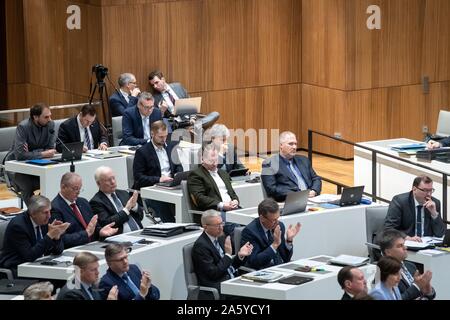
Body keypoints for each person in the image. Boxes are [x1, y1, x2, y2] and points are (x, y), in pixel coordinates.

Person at [192, 210, 253, 299]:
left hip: (231, 281)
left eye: (222, 223)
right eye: (217, 225)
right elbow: (214, 274)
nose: (221, 228)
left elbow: (228, 265)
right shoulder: (201, 246)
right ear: (205, 227)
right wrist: (228, 254)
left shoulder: (220, 238)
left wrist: (240, 255)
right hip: (218, 287)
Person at [0, 195, 69, 273]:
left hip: (39, 264)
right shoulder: (18, 226)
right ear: (33, 213)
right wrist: (49, 236)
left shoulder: (45, 221)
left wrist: (56, 237)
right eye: (45, 212)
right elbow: (30, 256)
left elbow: (58, 251)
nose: (49, 216)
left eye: (50, 211)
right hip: (18, 268)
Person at [51, 172, 118, 249]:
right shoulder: (55, 208)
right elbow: (62, 239)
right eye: (75, 189)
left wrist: (100, 231)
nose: (78, 192)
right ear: (63, 187)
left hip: (93, 246)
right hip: (74, 250)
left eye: (80, 188)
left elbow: (93, 227)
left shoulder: (83, 202)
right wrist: (86, 234)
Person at [7, 103, 57, 205]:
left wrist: (32, 152)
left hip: (41, 165)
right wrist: (42, 153)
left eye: (50, 116)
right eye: (46, 117)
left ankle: (46, 210)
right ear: (35, 117)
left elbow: (50, 149)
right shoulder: (23, 127)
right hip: (19, 169)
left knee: (53, 179)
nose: (50, 119)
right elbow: (20, 155)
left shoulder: (50, 125)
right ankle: (32, 214)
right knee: (27, 185)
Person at [133, 121, 182, 222]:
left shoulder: (171, 147)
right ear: (152, 134)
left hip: (171, 185)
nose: (164, 139)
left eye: (165, 136)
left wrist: (178, 175)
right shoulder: (142, 152)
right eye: (160, 137)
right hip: (153, 189)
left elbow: (178, 166)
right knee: (162, 203)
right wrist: (159, 179)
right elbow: (138, 177)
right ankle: (172, 227)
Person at [240, 198, 301, 270]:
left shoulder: (279, 226)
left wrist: (289, 240)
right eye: (273, 220)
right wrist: (274, 245)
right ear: (262, 218)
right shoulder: (250, 232)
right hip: (263, 271)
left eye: (277, 218)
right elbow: (255, 262)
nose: (277, 222)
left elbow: (286, 258)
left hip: (280, 269)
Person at [261, 131, 321, 202]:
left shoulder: (304, 160)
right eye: (290, 144)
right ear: (281, 145)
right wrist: (298, 194)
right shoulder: (269, 163)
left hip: (312, 200)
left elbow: (316, 179)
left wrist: (314, 190)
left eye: (295, 144)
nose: (294, 147)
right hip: (289, 202)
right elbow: (272, 189)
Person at [383, 175, 446, 241]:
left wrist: (434, 213)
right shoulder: (400, 201)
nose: (429, 194)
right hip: (404, 244)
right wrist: (407, 238)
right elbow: (389, 228)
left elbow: (440, 234)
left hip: (427, 245)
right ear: (414, 189)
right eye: (425, 190)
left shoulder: (435, 203)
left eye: (431, 190)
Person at [379, 229, 436, 300]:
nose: (405, 247)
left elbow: (428, 296)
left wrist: (428, 291)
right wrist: (417, 286)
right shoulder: (384, 273)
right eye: (400, 246)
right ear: (388, 252)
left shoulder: (410, 266)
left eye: (404, 244)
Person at [90, 166, 143, 233]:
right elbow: (107, 223)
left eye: (113, 178)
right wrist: (126, 210)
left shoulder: (124, 193)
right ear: (98, 183)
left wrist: (135, 207)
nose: (113, 182)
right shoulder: (96, 202)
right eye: (108, 180)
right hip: (120, 238)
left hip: (140, 232)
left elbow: (140, 216)